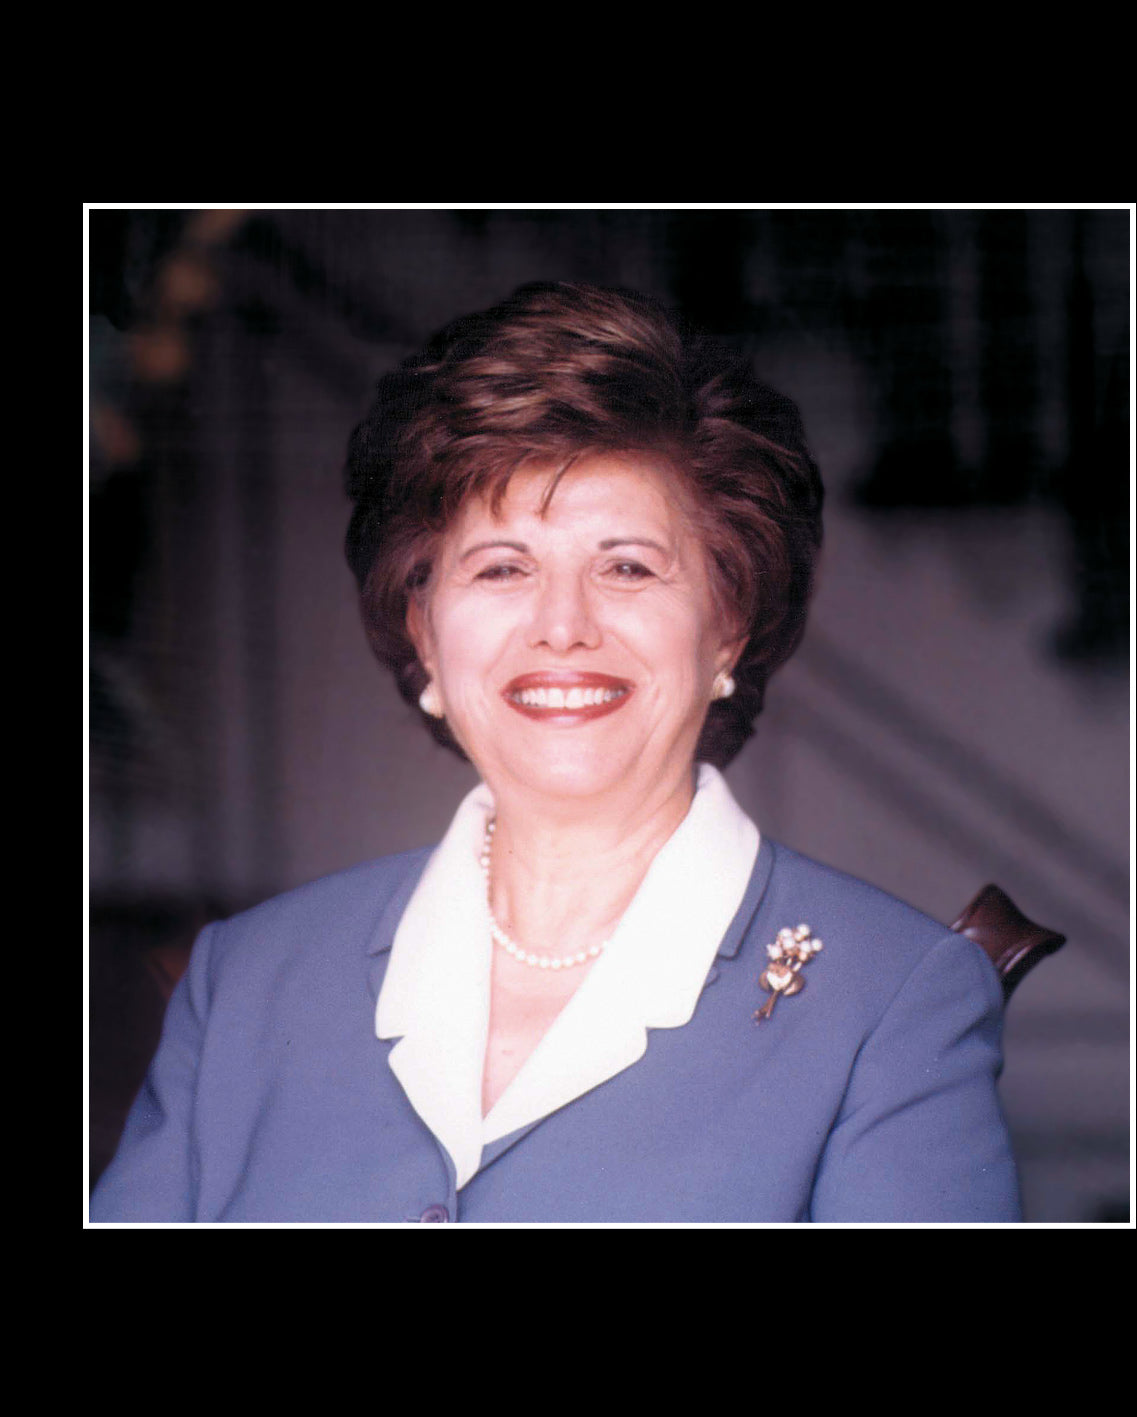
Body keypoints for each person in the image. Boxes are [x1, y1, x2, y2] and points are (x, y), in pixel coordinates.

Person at [90, 282, 1021, 1224]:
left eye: (627, 567)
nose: (562, 627)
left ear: (728, 627)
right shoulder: (246, 979)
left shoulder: (893, 999)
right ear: (423, 632)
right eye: (501, 568)